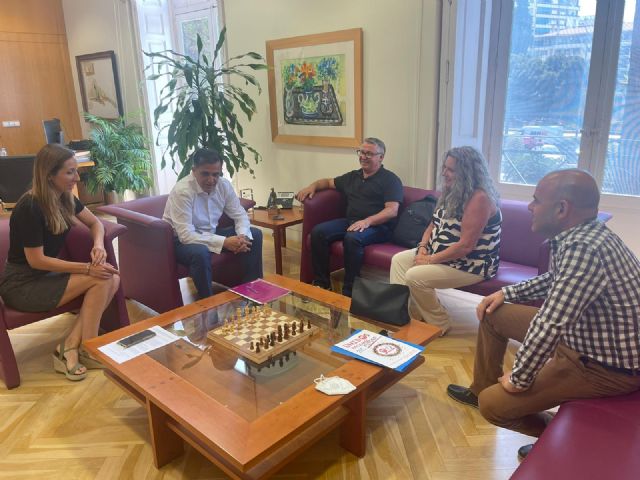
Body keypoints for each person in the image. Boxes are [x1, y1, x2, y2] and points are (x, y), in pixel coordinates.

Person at [446, 169, 640, 460]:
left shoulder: (584, 248)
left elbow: (550, 323)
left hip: (604, 366)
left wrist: (519, 378)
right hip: (584, 338)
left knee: (493, 406)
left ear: (562, 209)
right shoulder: (583, 235)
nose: (530, 207)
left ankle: (556, 436)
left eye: (536, 200)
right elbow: (556, 281)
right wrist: (506, 293)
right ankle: (479, 388)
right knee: (493, 312)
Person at [0, 144, 120, 381]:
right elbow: (36, 261)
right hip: (22, 285)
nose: (77, 178)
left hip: (44, 277)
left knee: (112, 278)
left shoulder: (64, 198)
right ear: (49, 175)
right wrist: (88, 268)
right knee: (102, 279)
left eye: (76, 171)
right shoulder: (29, 207)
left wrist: (98, 245)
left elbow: (96, 223)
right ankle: (88, 347)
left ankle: (70, 346)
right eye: (70, 172)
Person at [390, 146, 501, 333]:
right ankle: (402, 314)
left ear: (467, 173)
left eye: (450, 170)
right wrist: (422, 247)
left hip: (471, 264)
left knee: (415, 277)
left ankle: (439, 323)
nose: (444, 173)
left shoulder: (480, 198)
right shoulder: (452, 191)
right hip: (440, 254)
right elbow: (432, 224)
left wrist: (429, 260)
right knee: (399, 260)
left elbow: (465, 246)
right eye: (444, 168)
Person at [296, 137, 403, 297]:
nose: (363, 157)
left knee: (352, 238)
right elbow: (327, 182)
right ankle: (322, 284)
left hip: (379, 226)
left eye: (369, 154)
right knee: (318, 232)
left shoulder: (390, 180)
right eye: (361, 152)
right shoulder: (353, 177)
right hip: (351, 221)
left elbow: (392, 210)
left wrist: (367, 221)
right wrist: (312, 186)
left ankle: (349, 291)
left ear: (381, 157)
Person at [163, 148, 263, 299]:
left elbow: (239, 214)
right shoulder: (182, 191)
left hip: (210, 233)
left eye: (216, 174)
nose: (211, 180)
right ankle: (208, 303)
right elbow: (186, 235)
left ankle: (252, 292)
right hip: (180, 242)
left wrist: (242, 236)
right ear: (194, 171)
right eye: (205, 174)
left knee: (254, 234)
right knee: (200, 252)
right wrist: (224, 242)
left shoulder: (223, 185)